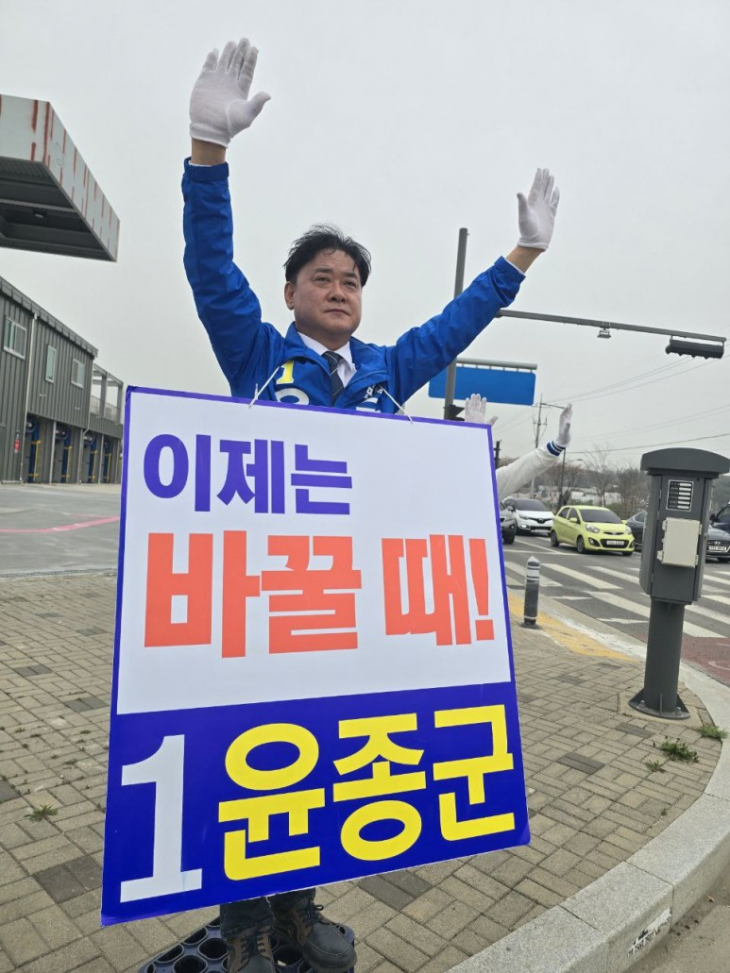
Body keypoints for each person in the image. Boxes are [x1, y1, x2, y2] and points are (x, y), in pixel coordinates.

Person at [183, 36, 561, 973]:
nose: (340, 290)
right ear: (292, 294)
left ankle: (296, 915)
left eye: (351, 280)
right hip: (267, 605)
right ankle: (238, 930)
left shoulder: (390, 371)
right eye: (323, 277)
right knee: (258, 771)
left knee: (324, 774)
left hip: (353, 617)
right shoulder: (257, 355)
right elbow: (208, 267)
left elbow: (457, 321)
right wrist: (206, 153)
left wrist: (520, 255)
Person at [463, 394, 573, 499]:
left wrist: (557, 444)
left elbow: (522, 468)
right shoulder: (454, 481)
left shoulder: (484, 485)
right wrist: (471, 442)